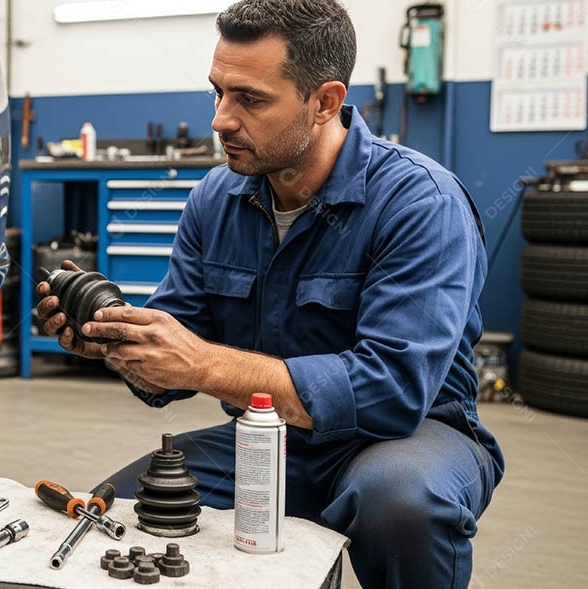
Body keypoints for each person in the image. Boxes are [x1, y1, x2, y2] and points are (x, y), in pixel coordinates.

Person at [35, 1, 504, 587]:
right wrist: (118, 345)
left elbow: (392, 391)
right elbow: (173, 363)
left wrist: (204, 364)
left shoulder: (420, 202)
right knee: (120, 508)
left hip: (410, 437)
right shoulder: (216, 199)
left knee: (398, 501)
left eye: (250, 100)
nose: (221, 120)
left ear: (325, 102)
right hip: (269, 438)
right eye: (218, 93)